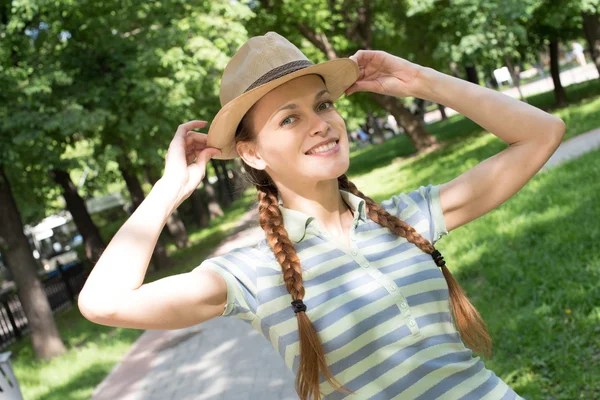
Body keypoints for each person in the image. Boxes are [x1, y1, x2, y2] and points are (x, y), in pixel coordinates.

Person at [78, 32, 566, 399]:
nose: (322, 124)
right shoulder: (252, 274)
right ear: (251, 154)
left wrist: (422, 82)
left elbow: (541, 133)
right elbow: (103, 303)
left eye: (324, 104)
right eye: (290, 118)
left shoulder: (407, 218)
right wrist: (169, 190)